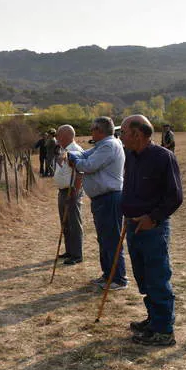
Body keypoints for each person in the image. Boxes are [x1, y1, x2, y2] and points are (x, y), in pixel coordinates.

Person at [119, 115, 183, 346]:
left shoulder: (163, 157)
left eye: (123, 132)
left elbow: (175, 197)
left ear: (137, 134)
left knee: (157, 277)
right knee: (144, 277)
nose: (121, 137)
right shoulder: (131, 157)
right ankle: (154, 319)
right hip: (133, 225)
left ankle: (164, 330)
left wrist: (152, 218)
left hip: (153, 228)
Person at [67, 116, 127, 290]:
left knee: (111, 239)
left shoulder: (109, 145)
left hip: (110, 198)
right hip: (101, 199)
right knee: (104, 239)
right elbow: (84, 154)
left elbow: (89, 165)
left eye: (93, 129)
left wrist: (75, 162)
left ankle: (118, 278)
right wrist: (74, 156)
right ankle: (108, 274)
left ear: (100, 131)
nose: (91, 131)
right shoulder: (101, 145)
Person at [54, 125, 84, 265]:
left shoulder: (75, 150)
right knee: (65, 222)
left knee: (73, 222)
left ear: (66, 136)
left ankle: (77, 254)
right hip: (63, 190)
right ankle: (69, 250)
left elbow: (80, 173)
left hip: (71, 190)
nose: (56, 138)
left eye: (58, 135)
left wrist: (74, 191)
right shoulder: (64, 150)